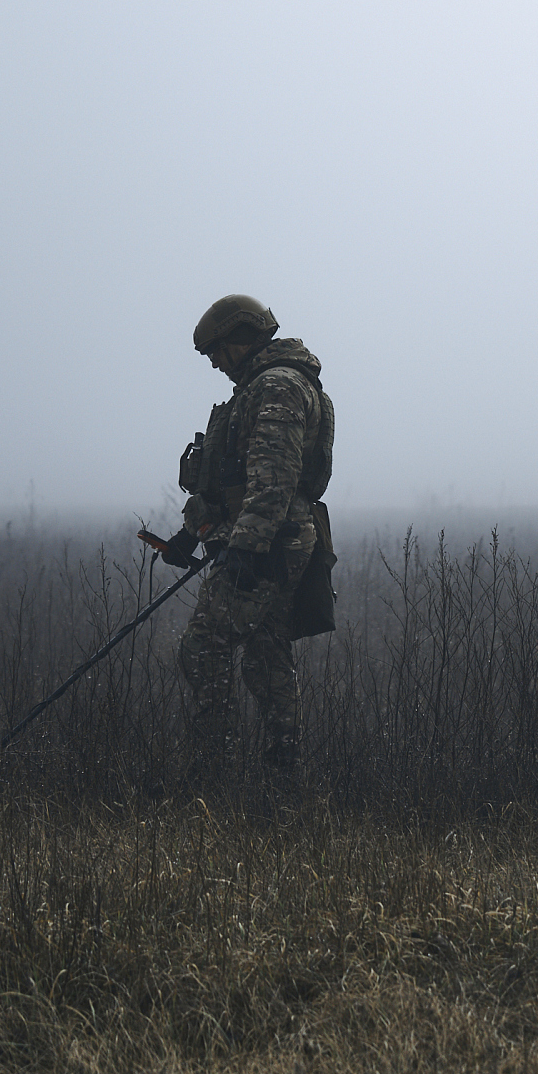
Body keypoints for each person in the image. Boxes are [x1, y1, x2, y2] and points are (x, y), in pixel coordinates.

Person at [155, 294, 336, 785]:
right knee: (266, 654)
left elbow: (274, 481)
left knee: (203, 643)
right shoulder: (257, 388)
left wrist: (246, 550)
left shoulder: (277, 386)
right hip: (269, 540)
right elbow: (229, 479)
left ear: (241, 338)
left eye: (216, 350)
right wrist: (188, 536)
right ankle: (283, 779)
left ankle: (212, 771)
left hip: (270, 545)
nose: (214, 362)